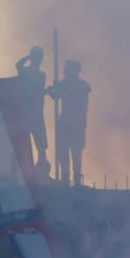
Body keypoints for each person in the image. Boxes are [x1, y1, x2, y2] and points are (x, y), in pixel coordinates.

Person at [48, 59, 91, 187]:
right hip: (66, 122)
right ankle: (65, 177)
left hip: (76, 123)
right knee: (63, 151)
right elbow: (56, 97)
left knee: (76, 152)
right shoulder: (65, 84)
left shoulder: (82, 85)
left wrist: (83, 123)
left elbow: (84, 106)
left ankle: (76, 178)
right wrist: (52, 89)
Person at [14, 48, 49, 170]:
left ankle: (42, 163)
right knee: (23, 140)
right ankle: (23, 165)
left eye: (40, 58)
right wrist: (28, 57)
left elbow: (38, 90)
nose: (39, 60)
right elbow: (18, 65)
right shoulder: (25, 71)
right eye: (37, 57)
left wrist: (45, 92)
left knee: (41, 143)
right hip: (25, 112)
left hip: (37, 113)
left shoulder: (41, 75)